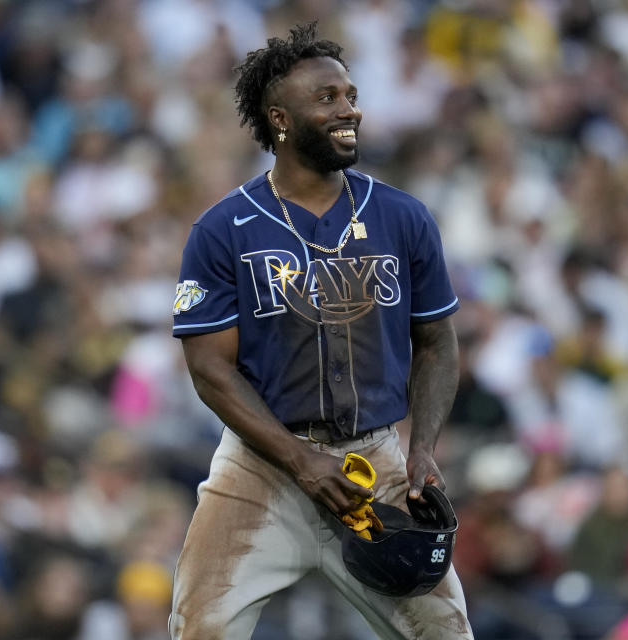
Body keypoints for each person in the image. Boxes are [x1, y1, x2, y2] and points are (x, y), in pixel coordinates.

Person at [169, 22, 473, 639]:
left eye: (351, 95)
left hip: (376, 461)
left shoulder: (402, 216)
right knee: (198, 628)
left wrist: (421, 451)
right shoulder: (223, 229)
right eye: (328, 98)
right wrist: (300, 460)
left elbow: (438, 343)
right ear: (279, 119)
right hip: (261, 466)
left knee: (446, 635)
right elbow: (209, 369)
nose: (349, 111)